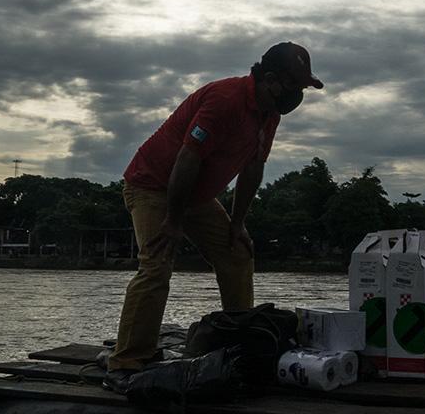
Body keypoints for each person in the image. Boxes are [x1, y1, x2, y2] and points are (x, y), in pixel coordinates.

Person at [105, 42, 324, 392]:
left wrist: (237, 225)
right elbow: (186, 160)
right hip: (153, 185)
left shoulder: (270, 114)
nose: (297, 95)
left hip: (197, 195)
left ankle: (239, 347)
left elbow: (253, 169)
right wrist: (173, 222)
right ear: (269, 79)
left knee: (237, 253)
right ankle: (127, 360)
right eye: (294, 86)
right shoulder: (224, 99)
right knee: (157, 264)